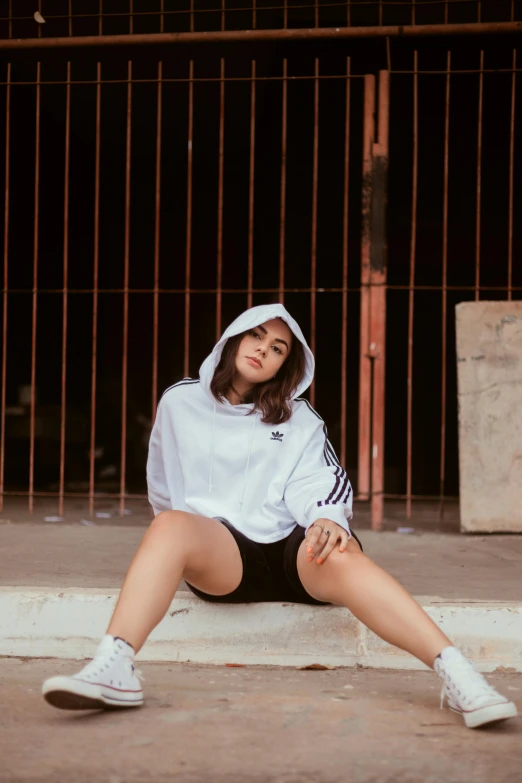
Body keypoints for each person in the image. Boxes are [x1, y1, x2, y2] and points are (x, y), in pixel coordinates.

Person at [42, 304, 517, 729]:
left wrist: (329, 517)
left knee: (342, 551)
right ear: (234, 338)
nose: (263, 350)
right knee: (168, 525)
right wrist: (176, 548)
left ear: (285, 364)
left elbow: (319, 479)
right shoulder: (179, 402)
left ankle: (459, 676)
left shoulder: (298, 416)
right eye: (256, 336)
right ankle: (114, 666)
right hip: (223, 559)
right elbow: (163, 484)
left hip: (292, 551)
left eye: (277, 348)